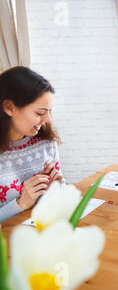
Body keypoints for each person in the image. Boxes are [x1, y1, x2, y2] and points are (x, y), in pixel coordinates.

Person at [0, 66, 63, 222]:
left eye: (49, 112)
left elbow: (59, 199)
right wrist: (20, 204)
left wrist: (56, 188)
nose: (47, 119)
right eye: (40, 113)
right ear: (9, 107)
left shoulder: (46, 142)